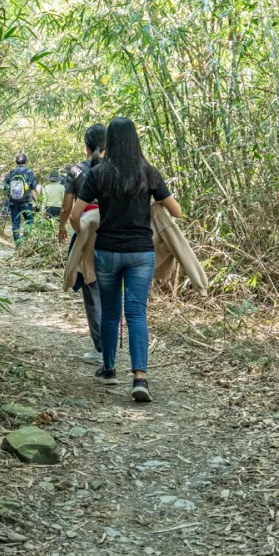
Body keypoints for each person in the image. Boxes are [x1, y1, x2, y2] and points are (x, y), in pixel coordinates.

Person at [71, 117, 181, 402]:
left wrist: (82, 235)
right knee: (136, 313)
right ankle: (140, 378)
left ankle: (108, 370)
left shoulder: (98, 174)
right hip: (141, 254)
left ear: (110, 141)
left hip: (107, 251)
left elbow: (75, 214)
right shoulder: (149, 173)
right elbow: (177, 212)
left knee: (110, 312)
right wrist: (155, 203)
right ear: (135, 140)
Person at [61, 124, 107, 365]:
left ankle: (100, 347)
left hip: (87, 232)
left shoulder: (76, 171)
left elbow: (68, 208)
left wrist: (65, 229)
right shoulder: (116, 170)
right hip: (113, 234)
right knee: (110, 289)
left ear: (86, 146)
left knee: (91, 286)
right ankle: (108, 348)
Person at [2, 152, 37, 244]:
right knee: (29, 220)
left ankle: (17, 243)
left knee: (15, 223)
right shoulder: (29, 172)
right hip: (26, 201)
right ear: (25, 162)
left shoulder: (11, 172)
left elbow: (5, 186)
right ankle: (25, 241)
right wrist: (36, 202)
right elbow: (33, 189)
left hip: (13, 201)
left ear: (16, 162)